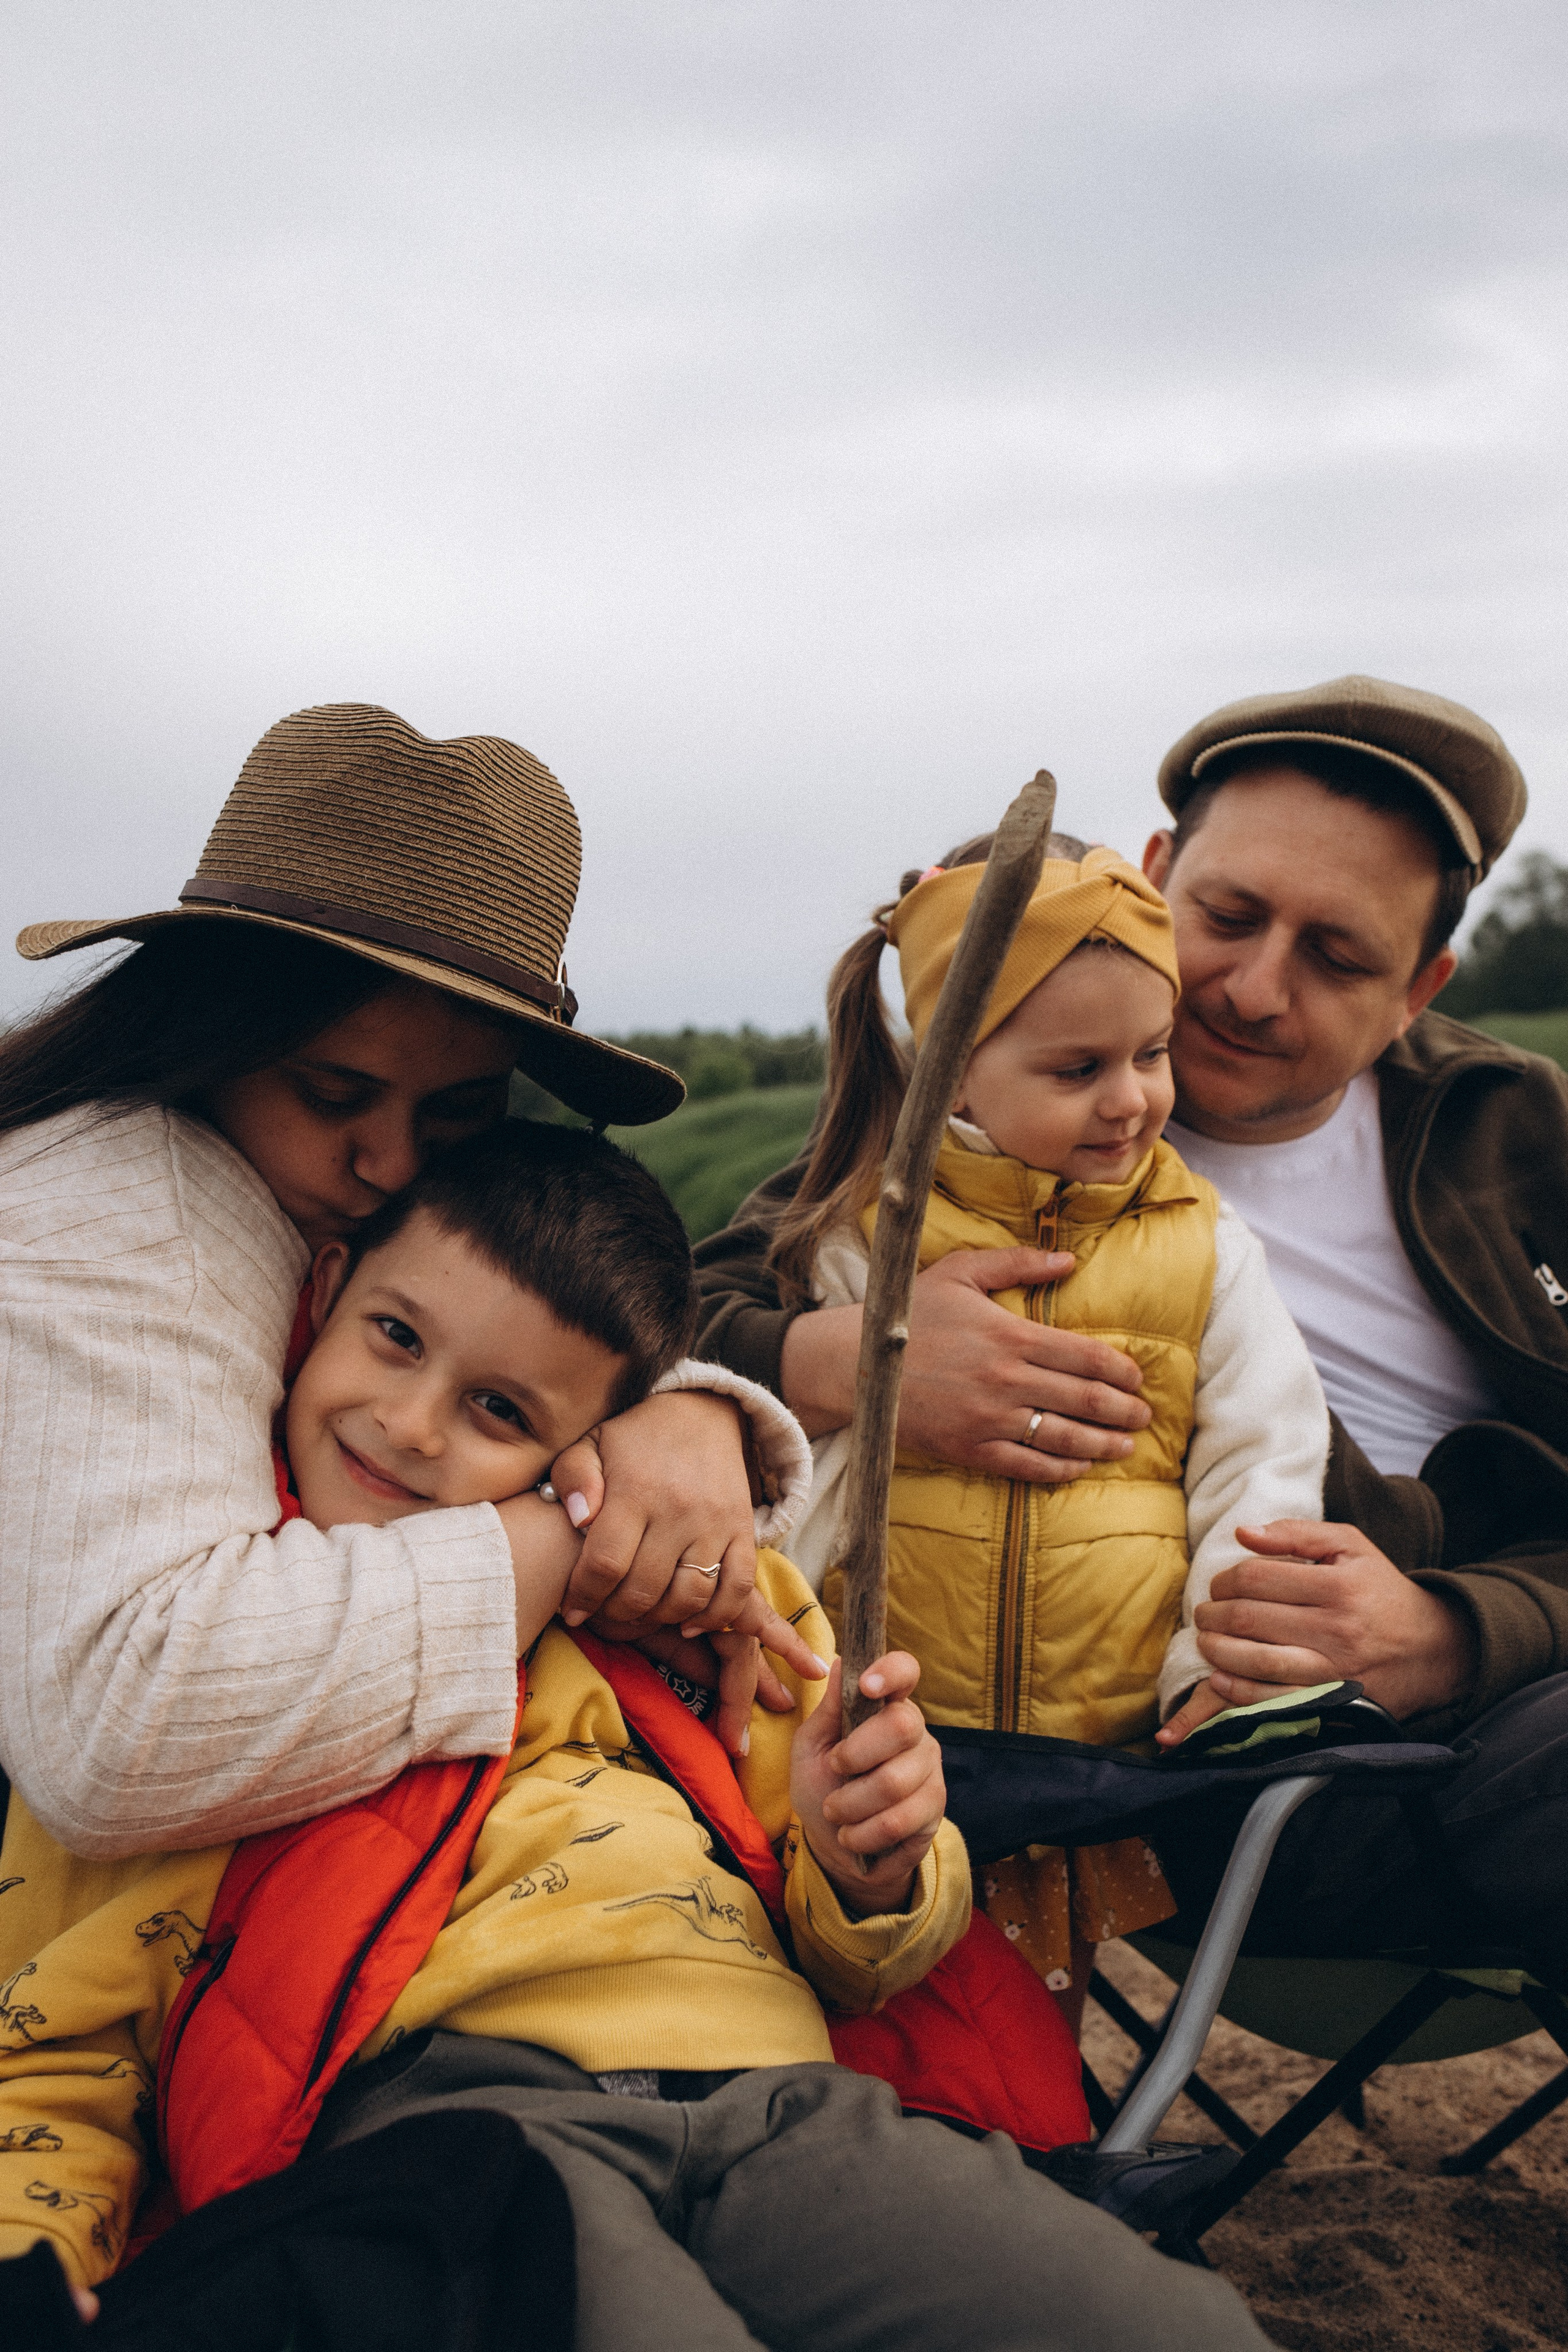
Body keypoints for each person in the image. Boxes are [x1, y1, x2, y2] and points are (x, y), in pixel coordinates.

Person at [0, 1121, 1275, 2352]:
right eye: (395, 1339)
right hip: (466, 2134)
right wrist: (30, 2259)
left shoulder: (706, 1612)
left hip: (777, 2096)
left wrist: (870, 1856)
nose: (411, 1424)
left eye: (500, 1411)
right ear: (326, 1289)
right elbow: (57, 2033)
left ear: (595, 1450)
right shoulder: (205, 1649)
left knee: (1161, 2326)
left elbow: (875, 1945)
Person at [694, 676, 1568, 1969]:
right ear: (1154, 874)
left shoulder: (1514, 1137)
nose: (1253, 990)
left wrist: (1457, 1628)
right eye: (1225, 916)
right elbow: (683, 1304)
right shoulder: (972, 1123)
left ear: (1418, 987)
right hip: (1112, 1774)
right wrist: (847, 1365)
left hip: (1446, 1745)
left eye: (1335, 958)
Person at [0, 702, 817, 1862]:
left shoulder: (290, 1205)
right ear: (206, 1028)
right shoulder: (114, 1204)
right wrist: (567, 1539)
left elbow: (486, 1305)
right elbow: (125, 1728)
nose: (390, 1163)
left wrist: (681, 1413)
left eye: (458, 1113)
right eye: (332, 1095)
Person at [769, 842, 1326, 2010]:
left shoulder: (1203, 1246)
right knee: (868, 1975)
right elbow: (809, 1473)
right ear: (953, 1078)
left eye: (1151, 1053)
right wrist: (803, 1658)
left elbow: (1261, 1459)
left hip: (1105, 1742)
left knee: (1039, 1993)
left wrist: (1212, 1668)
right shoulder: (863, 1239)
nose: (1131, 1097)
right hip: (897, 1727)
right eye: (1079, 1067)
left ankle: (1042, 2138)